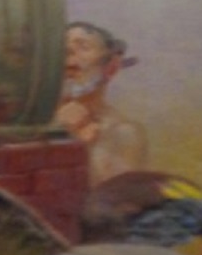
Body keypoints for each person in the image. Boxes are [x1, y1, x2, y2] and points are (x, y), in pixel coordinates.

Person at [55, 20, 149, 188]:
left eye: (83, 46)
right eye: (62, 47)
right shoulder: (35, 121)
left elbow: (113, 198)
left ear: (111, 68)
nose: (68, 50)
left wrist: (76, 146)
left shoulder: (122, 132)